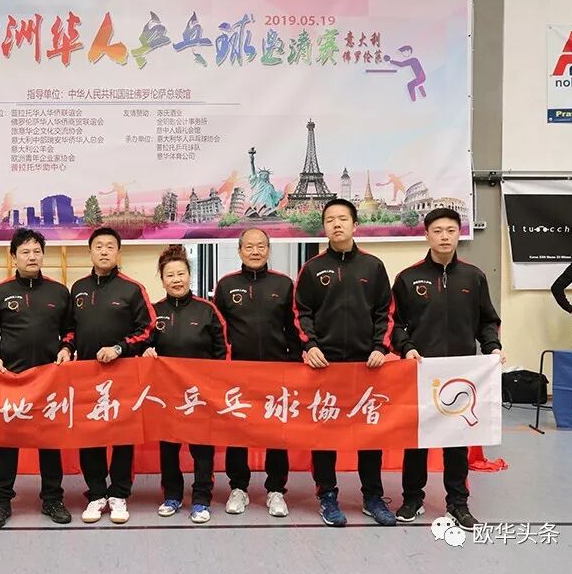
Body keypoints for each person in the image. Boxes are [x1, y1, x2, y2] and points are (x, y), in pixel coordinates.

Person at [391, 207, 505, 532]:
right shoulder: (408, 278)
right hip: (420, 373)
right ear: (427, 235)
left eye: (450, 231)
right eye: (438, 231)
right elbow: (395, 324)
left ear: (459, 234)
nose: (444, 237)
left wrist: (493, 347)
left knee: (457, 442)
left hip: (461, 375)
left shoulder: (473, 277)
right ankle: (412, 498)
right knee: (417, 441)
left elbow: (487, 321)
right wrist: (406, 348)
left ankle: (458, 503)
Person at [293, 199, 396, 527]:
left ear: (355, 225)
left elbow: (385, 311)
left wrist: (380, 347)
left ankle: (373, 497)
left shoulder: (373, 266)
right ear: (324, 227)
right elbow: (301, 312)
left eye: (343, 219)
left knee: (370, 434)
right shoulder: (312, 268)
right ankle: (327, 495)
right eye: (330, 220)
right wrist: (310, 345)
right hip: (324, 366)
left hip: (367, 366)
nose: (336, 224)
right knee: (324, 435)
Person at [0, 229, 73, 528]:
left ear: (43, 255)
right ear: (14, 257)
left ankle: (52, 499)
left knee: (50, 442)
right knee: (7, 442)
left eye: (36, 251)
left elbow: (70, 330)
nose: (32, 257)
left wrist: (66, 348)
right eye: (25, 252)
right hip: (11, 379)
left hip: (48, 380)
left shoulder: (59, 292)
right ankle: (1, 500)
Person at [65, 227, 155, 524]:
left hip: (123, 374)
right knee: (89, 434)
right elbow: (70, 329)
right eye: (99, 246)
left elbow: (147, 330)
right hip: (86, 375)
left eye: (110, 246)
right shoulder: (78, 288)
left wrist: (119, 348)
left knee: (122, 436)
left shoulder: (132, 289)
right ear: (90, 252)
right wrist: (66, 347)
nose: (104, 251)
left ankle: (118, 494)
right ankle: (96, 493)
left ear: (118, 252)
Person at [213, 228, 302, 517]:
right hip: (237, 373)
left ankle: (276, 489)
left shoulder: (284, 284)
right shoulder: (226, 285)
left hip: (277, 372)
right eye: (249, 246)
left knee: (277, 433)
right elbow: (217, 330)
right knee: (238, 431)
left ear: (268, 250)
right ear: (239, 251)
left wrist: (294, 363)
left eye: (261, 246)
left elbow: (294, 328)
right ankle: (238, 488)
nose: (255, 251)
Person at [143, 245, 229, 524]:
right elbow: (142, 345)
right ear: (162, 280)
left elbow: (223, 352)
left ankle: (201, 499)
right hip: (166, 395)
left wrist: (215, 387)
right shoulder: (154, 313)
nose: (176, 280)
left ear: (190, 276)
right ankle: (172, 495)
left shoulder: (208, 311)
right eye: (170, 275)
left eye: (181, 273)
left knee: (202, 450)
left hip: (200, 395)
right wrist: (146, 351)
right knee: (168, 449)